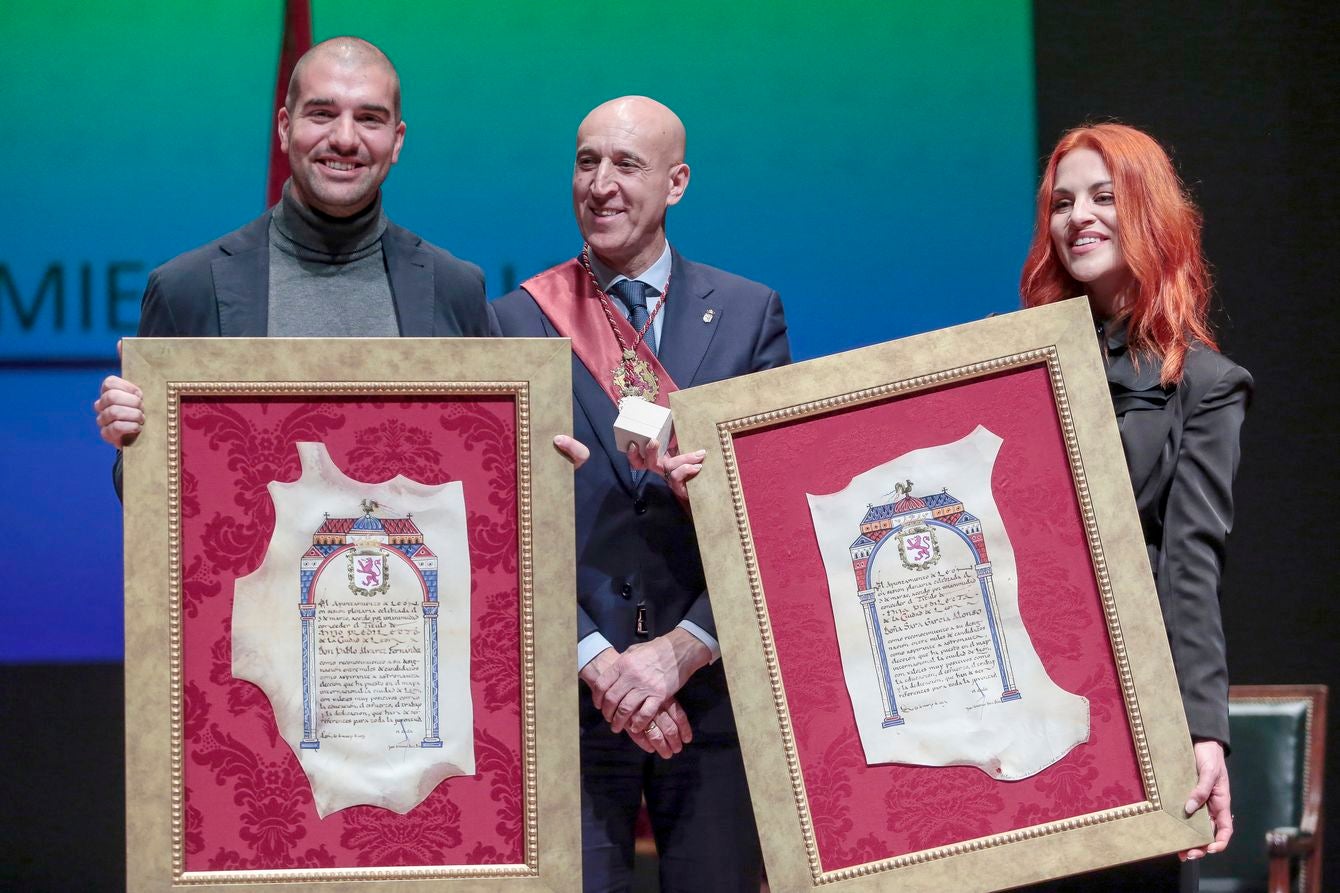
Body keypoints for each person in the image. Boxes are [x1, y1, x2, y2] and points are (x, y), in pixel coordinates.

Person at [491, 96, 789, 891]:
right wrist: (601, 664)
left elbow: (774, 516)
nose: (601, 185)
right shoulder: (513, 322)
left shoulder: (749, 314)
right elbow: (497, 530)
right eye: (587, 162)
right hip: (569, 697)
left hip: (713, 696)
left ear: (676, 182)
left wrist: (681, 650)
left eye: (626, 164)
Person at [93, 36, 500, 487]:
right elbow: (152, 498)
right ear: (285, 128)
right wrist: (132, 440)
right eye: (322, 114)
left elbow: (488, 475)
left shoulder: (456, 289)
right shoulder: (187, 289)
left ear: (397, 140)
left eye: (369, 119)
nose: (344, 139)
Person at [1019, 122, 1250, 891]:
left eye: (1103, 196)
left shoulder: (1206, 385)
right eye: (1062, 203)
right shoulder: (1012, 364)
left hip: (1127, 712)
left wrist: (1203, 731)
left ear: (1148, 210)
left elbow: (1190, 567)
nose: (1078, 216)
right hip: (1014, 697)